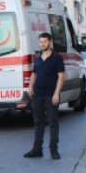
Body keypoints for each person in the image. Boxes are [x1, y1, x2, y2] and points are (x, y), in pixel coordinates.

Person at [24, 32, 65, 160]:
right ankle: (37, 149)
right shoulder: (38, 57)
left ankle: (53, 149)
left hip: (51, 95)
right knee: (38, 122)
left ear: (50, 42)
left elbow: (61, 76)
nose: (42, 44)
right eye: (40, 42)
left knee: (53, 123)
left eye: (45, 42)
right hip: (38, 95)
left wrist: (56, 94)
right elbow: (34, 73)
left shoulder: (57, 57)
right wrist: (30, 87)